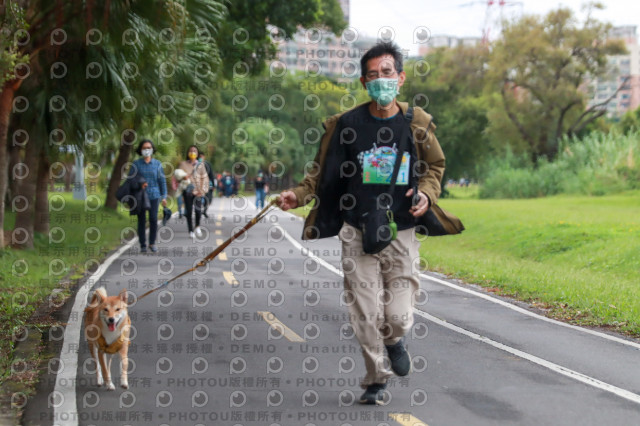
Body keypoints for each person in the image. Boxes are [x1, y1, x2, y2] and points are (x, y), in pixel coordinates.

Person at [277, 42, 463, 404]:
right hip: (356, 231)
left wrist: (427, 193)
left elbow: (434, 168)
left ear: (401, 77)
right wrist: (297, 196)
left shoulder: (416, 123)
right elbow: (320, 174)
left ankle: (394, 339)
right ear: (364, 82)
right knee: (365, 314)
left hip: (402, 230)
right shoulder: (346, 125)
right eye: (374, 76)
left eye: (388, 73)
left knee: (397, 316)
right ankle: (376, 379)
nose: (382, 81)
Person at [128, 139, 167, 253]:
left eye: (149, 148)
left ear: (152, 149)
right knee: (141, 220)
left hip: (154, 195)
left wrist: (164, 196)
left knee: (153, 219)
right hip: (140, 195)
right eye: (144, 148)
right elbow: (131, 179)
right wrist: (139, 184)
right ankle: (143, 244)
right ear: (140, 150)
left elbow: (162, 181)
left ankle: (152, 242)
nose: (146, 150)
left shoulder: (157, 164)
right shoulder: (136, 164)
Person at [177, 145, 210, 239]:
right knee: (189, 211)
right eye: (191, 151)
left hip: (198, 192)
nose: (192, 152)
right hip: (187, 191)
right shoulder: (182, 164)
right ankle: (190, 230)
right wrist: (183, 177)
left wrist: (203, 191)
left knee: (198, 210)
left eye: (194, 151)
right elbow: (177, 177)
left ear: (197, 153)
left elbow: (205, 178)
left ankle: (197, 226)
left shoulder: (200, 165)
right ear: (188, 153)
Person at [198, 152, 215, 218]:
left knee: (208, 198)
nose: (200, 158)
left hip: (207, 184)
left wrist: (213, 185)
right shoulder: (196, 164)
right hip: (198, 184)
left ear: (204, 157)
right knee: (199, 198)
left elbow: (211, 175)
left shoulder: (207, 164)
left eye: (202, 156)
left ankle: (204, 211)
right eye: (199, 156)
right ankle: (198, 211)